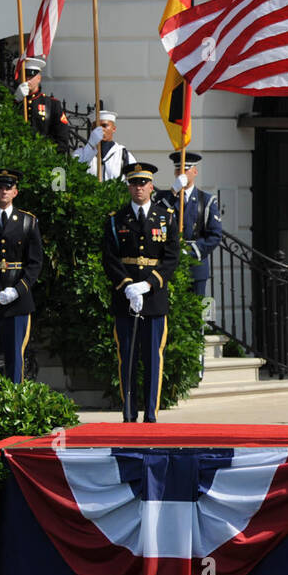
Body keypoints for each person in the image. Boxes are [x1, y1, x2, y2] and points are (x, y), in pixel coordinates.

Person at [103, 162, 179, 423]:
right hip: (125, 298)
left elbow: (171, 259)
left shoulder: (166, 217)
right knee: (127, 357)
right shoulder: (116, 219)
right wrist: (127, 286)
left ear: (151, 186)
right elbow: (110, 258)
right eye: (134, 183)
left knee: (152, 358)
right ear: (129, 186)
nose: (139, 188)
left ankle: (151, 413)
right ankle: (128, 411)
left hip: (154, 298)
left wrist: (148, 285)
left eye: (143, 183)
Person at [0, 168, 43, 391]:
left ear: (16, 192)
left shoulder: (28, 222)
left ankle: (14, 407)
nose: (4, 190)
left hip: (17, 300)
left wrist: (17, 290)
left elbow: (35, 263)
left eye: (9, 187)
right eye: (0, 186)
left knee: (15, 358)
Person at [155, 151, 224, 297]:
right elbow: (156, 218)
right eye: (178, 170)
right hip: (168, 263)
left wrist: (189, 252)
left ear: (195, 171)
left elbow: (215, 235)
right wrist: (173, 192)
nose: (182, 174)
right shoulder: (163, 198)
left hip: (195, 266)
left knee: (195, 313)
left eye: (186, 170)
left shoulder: (206, 200)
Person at [15, 57, 71, 152]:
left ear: (39, 78)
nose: (27, 80)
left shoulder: (52, 105)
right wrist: (16, 101)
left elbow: (62, 139)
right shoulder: (14, 102)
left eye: (31, 76)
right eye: (24, 76)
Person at [74, 110, 136, 181]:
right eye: (96, 127)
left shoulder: (124, 155)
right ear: (92, 129)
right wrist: (90, 145)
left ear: (113, 129)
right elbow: (75, 174)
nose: (101, 130)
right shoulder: (80, 153)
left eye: (104, 126)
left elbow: (133, 183)